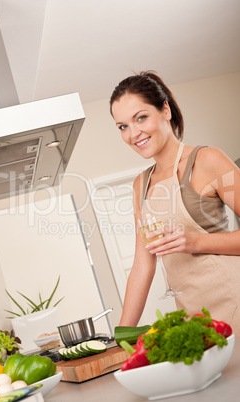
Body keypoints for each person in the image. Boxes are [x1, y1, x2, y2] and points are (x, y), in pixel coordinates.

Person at [110, 71, 240, 336]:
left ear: (165, 110)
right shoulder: (140, 185)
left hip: (233, 300)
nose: (133, 133)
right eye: (123, 126)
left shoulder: (207, 160)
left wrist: (194, 242)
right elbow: (142, 265)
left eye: (141, 118)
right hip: (193, 315)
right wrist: (122, 335)